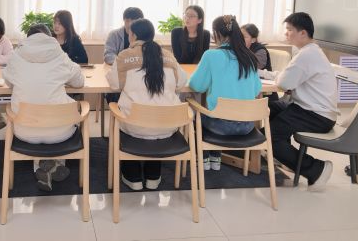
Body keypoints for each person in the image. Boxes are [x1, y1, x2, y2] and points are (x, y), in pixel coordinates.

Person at [106, 19, 187, 191]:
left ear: (133, 35)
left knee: (122, 112)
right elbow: (181, 83)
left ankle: (132, 177)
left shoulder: (125, 56)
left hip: (135, 125)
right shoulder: (167, 55)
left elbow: (114, 85)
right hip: (168, 125)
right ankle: (153, 176)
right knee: (155, 119)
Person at [3, 23, 85, 191]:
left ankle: (43, 165)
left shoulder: (16, 56)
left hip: (24, 131)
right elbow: (79, 82)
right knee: (58, 115)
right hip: (60, 133)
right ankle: (54, 165)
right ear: (49, 38)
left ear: (28, 38)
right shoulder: (59, 55)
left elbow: (9, 82)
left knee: (37, 115)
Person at [262, 12, 338, 191]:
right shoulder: (308, 51)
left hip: (315, 115)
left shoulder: (307, 55)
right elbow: (286, 77)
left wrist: (281, 79)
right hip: (309, 110)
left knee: (270, 136)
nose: (286, 33)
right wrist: (265, 73)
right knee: (268, 109)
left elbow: (284, 83)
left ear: (303, 33)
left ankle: (316, 169)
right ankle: (285, 158)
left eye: (289, 30)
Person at [189, 15, 261, 171]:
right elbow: (256, 91)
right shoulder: (250, 57)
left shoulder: (211, 55)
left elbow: (197, 86)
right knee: (216, 112)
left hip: (219, 127)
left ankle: (204, 158)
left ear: (216, 34)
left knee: (197, 112)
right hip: (247, 125)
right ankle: (215, 158)